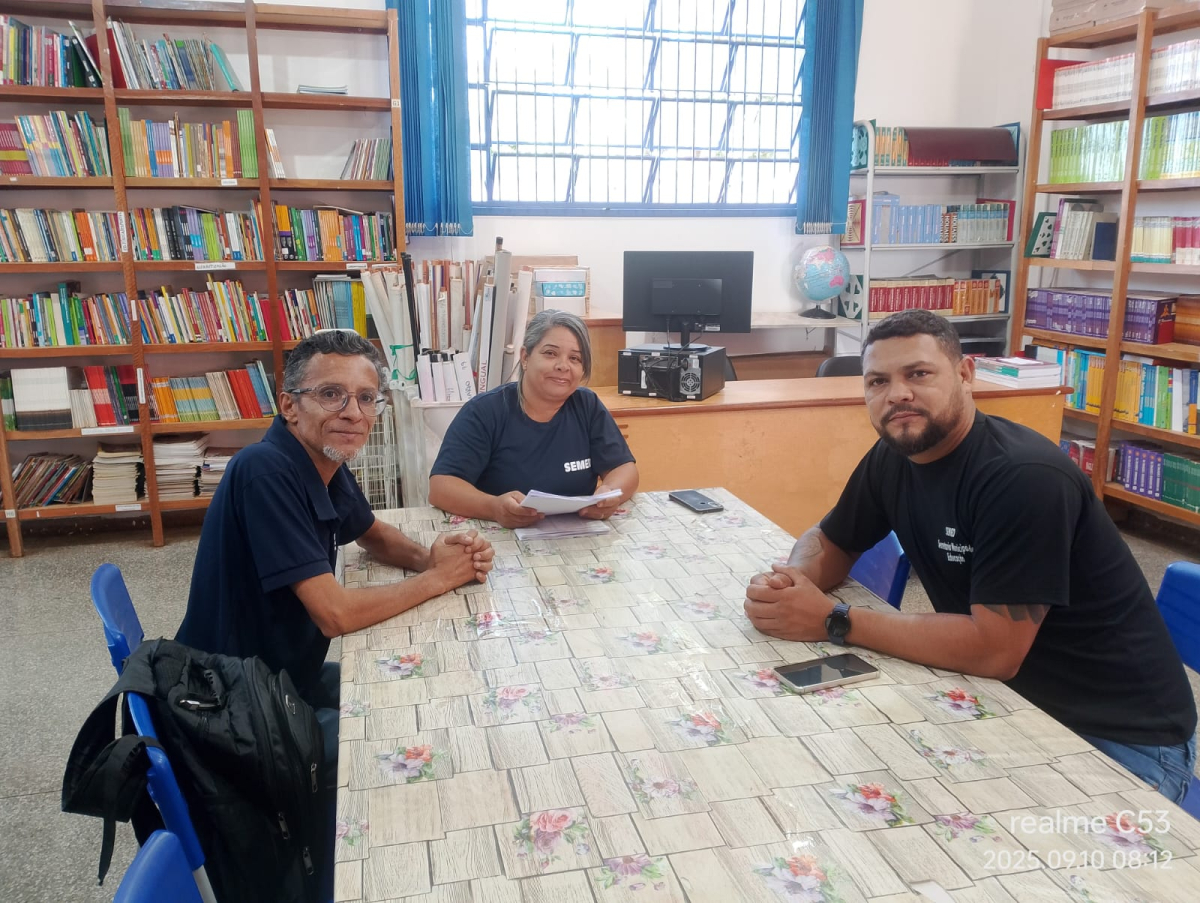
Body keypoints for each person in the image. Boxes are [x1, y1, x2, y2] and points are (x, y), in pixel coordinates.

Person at [744, 309, 1197, 802]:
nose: (897, 394)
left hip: (1116, 736)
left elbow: (994, 649)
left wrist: (834, 619)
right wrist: (794, 581)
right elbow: (833, 539)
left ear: (965, 375)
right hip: (1010, 699)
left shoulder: (1022, 478)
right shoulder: (895, 455)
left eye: (918, 374)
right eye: (878, 381)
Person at [177, 330, 495, 774]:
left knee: (413, 693)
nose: (353, 413)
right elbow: (336, 614)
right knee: (401, 750)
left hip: (285, 675)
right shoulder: (264, 470)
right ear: (289, 405)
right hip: (233, 702)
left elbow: (370, 533)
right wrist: (440, 578)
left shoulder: (322, 458)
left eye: (367, 399)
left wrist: (432, 557)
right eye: (331, 394)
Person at [428, 309, 639, 528]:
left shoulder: (587, 405)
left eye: (575, 358)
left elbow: (624, 468)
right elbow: (441, 487)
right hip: (498, 543)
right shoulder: (484, 411)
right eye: (550, 353)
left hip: (576, 539)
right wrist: (493, 508)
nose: (563, 366)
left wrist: (610, 492)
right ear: (525, 357)